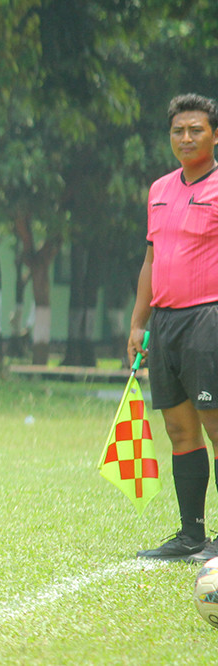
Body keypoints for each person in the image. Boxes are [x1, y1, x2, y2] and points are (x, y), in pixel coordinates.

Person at [129, 93, 218, 563]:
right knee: (180, 430)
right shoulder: (159, 189)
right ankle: (191, 536)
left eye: (196, 129)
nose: (186, 138)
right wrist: (137, 322)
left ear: (215, 134)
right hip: (163, 324)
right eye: (178, 131)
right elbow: (150, 259)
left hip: (209, 318)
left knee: (216, 424)